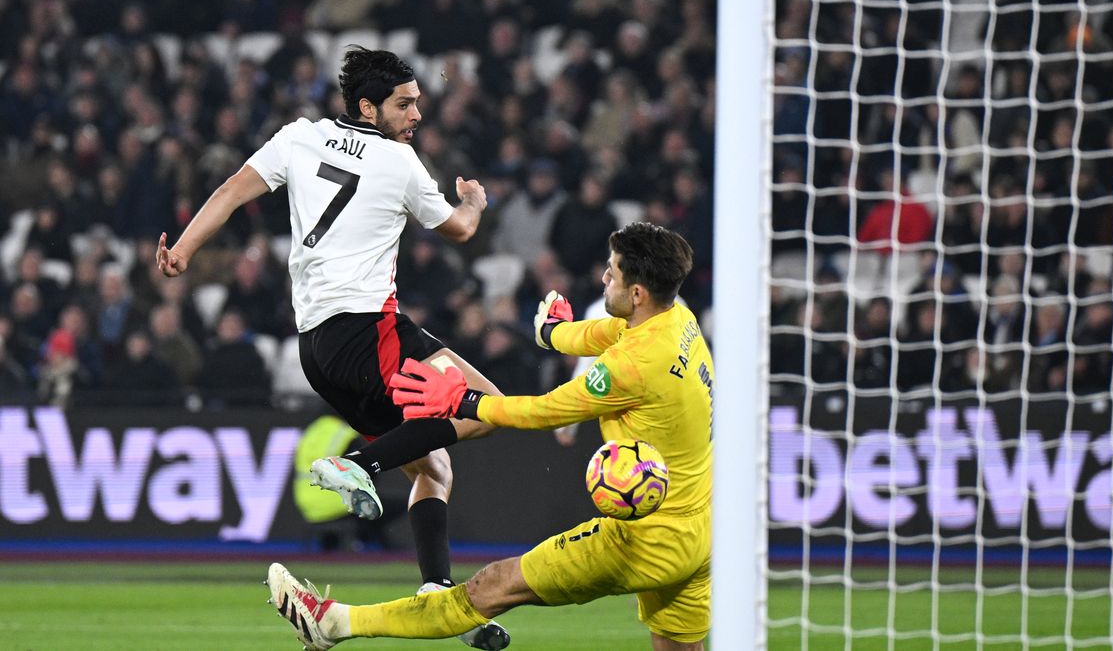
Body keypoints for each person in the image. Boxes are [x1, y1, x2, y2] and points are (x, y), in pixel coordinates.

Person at [157, 46, 508, 650]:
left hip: (316, 350)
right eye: (405, 103)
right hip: (368, 331)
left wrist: (184, 250)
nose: (417, 114)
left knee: (434, 467)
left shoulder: (299, 136)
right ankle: (359, 466)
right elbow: (461, 229)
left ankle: (435, 594)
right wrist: (474, 199)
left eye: (419, 101)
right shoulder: (399, 163)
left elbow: (233, 189)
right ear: (368, 107)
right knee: (488, 406)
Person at [267, 222, 713, 650]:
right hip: (700, 527)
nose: (603, 277)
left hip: (645, 539)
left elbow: (542, 412)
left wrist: (461, 400)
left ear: (637, 293)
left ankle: (332, 622)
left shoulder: (632, 366)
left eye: (611, 273)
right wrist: (552, 333)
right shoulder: (677, 320)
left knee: (488, 589)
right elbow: (608, 331)